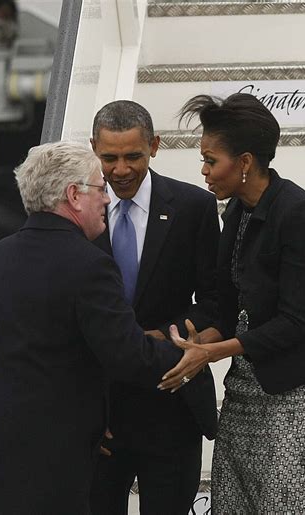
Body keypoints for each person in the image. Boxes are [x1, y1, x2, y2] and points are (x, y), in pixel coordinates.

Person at [0, 141, 194, 514]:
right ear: (74, 195)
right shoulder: (90, 266)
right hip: (48, 464)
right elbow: (129, 356)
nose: (106, 200)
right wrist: (186, 352)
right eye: (100, 189)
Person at [159, 93, 305, 514]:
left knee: (281, 506)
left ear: (244, 162)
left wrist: (212, 352)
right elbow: (227, 314)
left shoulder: (297, 212)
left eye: (211, 160)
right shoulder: (236, 213)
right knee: (232, 505)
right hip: (250, 381)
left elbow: (296, 322)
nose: (204, 171)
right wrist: (189, 342)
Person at [89, 100, 220, 515]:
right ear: (94, 149)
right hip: (100, 415)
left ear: (155, 146)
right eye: (109, 157)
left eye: (133, 156)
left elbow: (218, 303)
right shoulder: (78, 211)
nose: (121, 170)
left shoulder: (193, 207)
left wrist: (165, 335)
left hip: (172, 407)